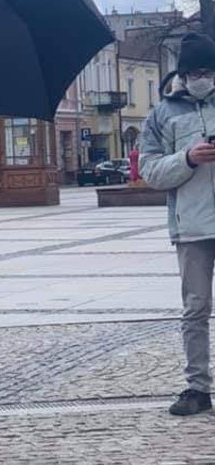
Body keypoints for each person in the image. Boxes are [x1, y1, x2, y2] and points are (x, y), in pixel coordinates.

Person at [140, 32, 215, 416]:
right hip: (192, 227)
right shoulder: (162, 114)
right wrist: (187, 158)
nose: (201, 78)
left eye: (208, 71)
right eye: (194, 72)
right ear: (182, 75)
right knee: (195, 309)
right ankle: (197, 388)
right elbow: (149, 170)